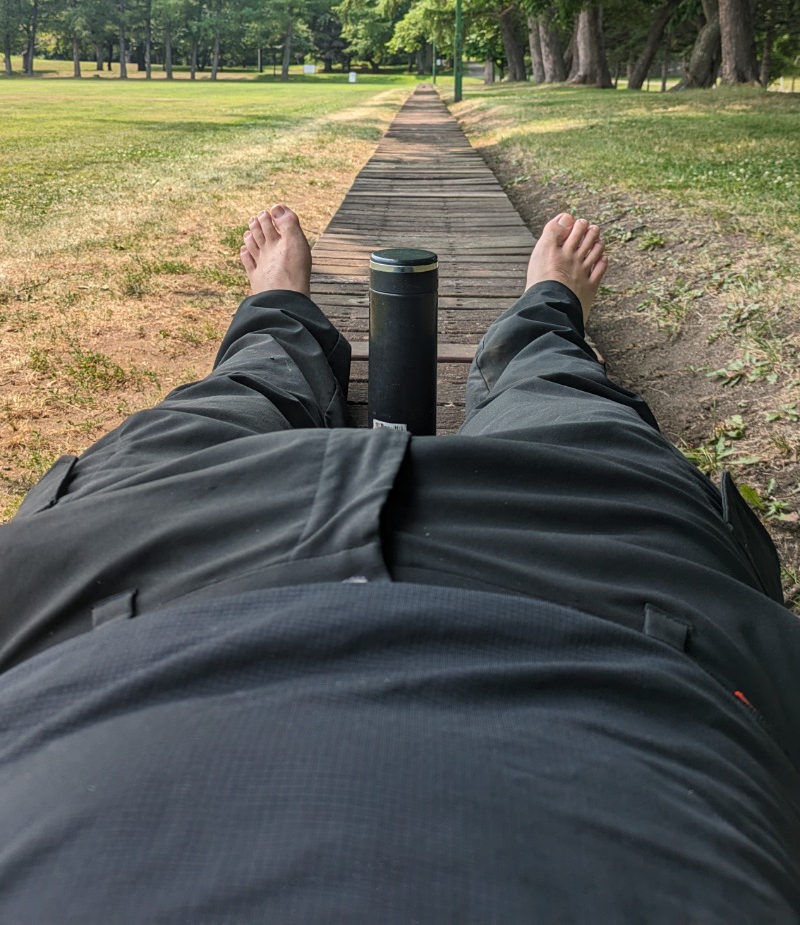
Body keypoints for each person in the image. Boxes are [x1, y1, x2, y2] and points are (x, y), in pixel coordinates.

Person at [0, 204, 799, 923]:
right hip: (617, 594)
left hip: (123, 587)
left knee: (230, 397)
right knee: (563, 396)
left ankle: (279, 316)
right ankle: (542, 322)